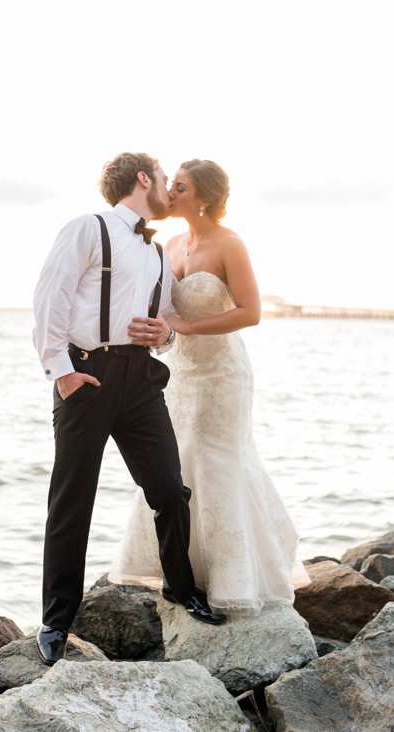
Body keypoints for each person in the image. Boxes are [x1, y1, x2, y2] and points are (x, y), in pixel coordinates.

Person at [31, 152, 227, 665]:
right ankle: (56, 620)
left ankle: (181, 588)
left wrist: (163, 334)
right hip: (87, 375)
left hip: (140, 381)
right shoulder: (86, 229)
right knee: (72, 498)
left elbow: (161, 322)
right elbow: (49, 299)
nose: (170, 188)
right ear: (143, 179)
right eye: (165, 180)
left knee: (168, 486)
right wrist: (62, 372)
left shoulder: (159, 253)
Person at [109, 159, 310, 615]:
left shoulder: (229, 243)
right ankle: (184, 571)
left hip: (222, 372)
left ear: (203, 198)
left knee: (218, 459)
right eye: (171, 183)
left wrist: (187, 326)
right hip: (180, 370)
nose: (170, 191)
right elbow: (162, 309)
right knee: (178, 460)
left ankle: (232, 576)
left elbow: (251, 312)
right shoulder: (171, 243)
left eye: (180, 186)